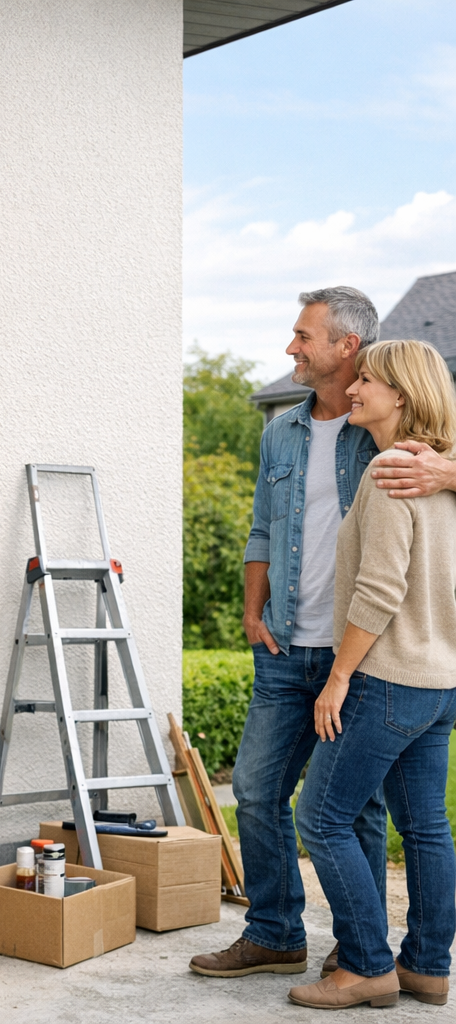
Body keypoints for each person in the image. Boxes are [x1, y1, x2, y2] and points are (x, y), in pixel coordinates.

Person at [189, 287, 456, 980]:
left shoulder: (394, 449)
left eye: (303, 336)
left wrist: (448, 468)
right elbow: (261, 526)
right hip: (287, 646)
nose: (290, 349)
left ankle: (356, 947)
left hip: (365, 656)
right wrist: (253, 612)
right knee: (255, 791)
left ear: (348, 348)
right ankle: (275, 931)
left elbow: (385, 577)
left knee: (352, 810)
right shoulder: (283, 431)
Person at [288, 339, 456, 1010]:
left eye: (369, 381)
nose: (354, 388)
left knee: (321, 818)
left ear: (403, 397)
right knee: (426, 828)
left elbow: (379, 592)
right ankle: (426, 967)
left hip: (388, 681)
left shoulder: (391, 471)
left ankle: (365, 966)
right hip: (439, 683)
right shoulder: (436, 473)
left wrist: (338, 678)